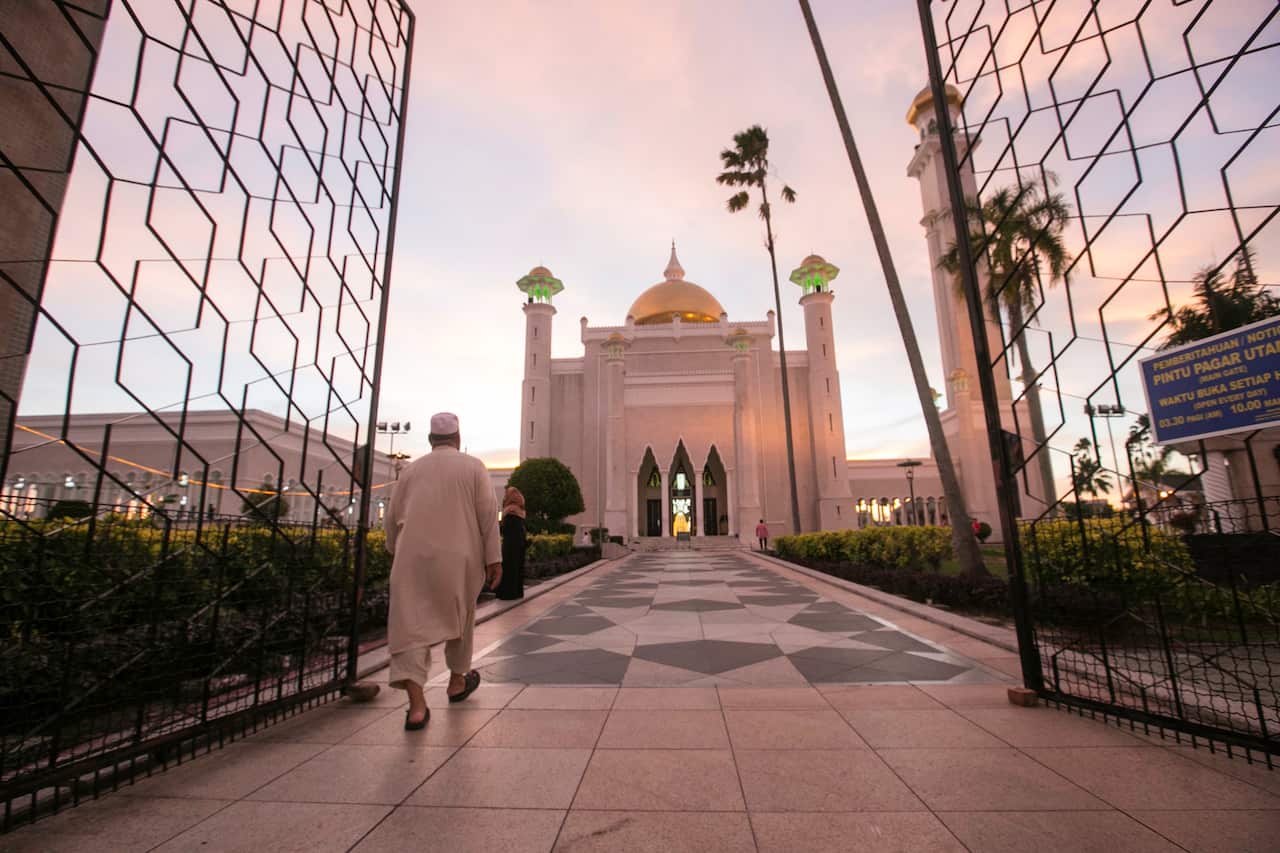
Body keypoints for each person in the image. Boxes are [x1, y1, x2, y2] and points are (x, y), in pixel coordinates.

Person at [384, 412, 501, 730]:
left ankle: (417, 706)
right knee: (459, 618)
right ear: (458, 439)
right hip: (458, 558)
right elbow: (488, 514)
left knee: (409, 626)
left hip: (413, 556)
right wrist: (494, 559)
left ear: (430, 440)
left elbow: (391, 519)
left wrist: (396, 551)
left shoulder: (410, 471)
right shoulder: (473, 466)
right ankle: (457, 681)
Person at [496, 486, 527, 600]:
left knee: (508, 568)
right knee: (517, 567)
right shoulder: (520, 511)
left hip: (510, 543)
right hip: (520, 542)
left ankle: (508, 594)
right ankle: (517, 592)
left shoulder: (510, 510)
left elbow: (505, 529)